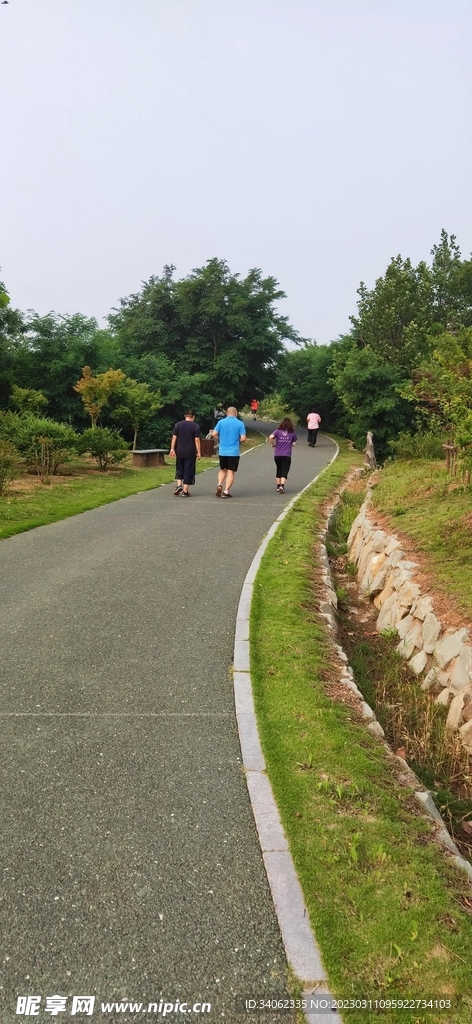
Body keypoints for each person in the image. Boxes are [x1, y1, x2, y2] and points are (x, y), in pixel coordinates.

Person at [212, 406, 246, 498]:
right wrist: (238, 440)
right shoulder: (240, 424)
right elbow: (243, 438)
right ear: (236, 413)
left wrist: (219, 440)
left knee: (222, 470)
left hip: (222, 451)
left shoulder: (221, 422)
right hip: (233, 452)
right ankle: (226, 491)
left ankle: (219, 484)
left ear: (227, 413)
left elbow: (214, 434)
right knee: (230, 472)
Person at [169, 410, 201, 496]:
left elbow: (174, 438)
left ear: (185, 415)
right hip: (190, 451)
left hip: (179, 450)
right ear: (193, 416)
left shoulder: (178, 425)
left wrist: (172, 448)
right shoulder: (196, 426)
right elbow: (197, 440)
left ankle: (179, 485)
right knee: (189, 469)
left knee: (179, 468)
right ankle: (185, 491)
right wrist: (199, 452)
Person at [269, 418, 297, 493]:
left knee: (279, 469)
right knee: (285, 470)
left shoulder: (277, 431)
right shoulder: (292, 433)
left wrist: (273, 444)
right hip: (287, 455)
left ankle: (278, 486)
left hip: (277, 454)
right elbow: (294, 444)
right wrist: (290, 442)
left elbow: (271, 437)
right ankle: (282, 485)